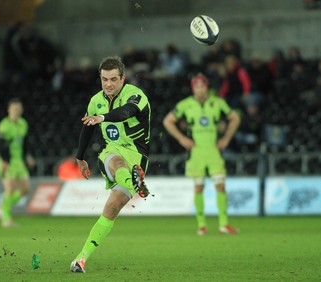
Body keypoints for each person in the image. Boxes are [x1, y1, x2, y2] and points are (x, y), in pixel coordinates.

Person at [70, 56, 151, 273]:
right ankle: (81, 259)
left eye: (114, 79)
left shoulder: (135, 95)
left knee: (112, 208)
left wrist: (103, 118)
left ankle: (134, 179)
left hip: (137, 156)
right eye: (104, 79)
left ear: (123, 78)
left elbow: (126, 112)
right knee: (115, 160)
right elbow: (87, 128)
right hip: (112, 151)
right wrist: (80, 157)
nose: (108, 84)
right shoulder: (96, 100)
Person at [163, 73, 240, 235]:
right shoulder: (185, 105)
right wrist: (181, 139)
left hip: (213, 150)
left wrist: (226, 138)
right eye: (197, 86)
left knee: (221, 186)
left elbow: (235, 118)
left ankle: (223, 224)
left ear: (207, 87)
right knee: (198, 187)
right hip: (196, 152)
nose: (200, 89)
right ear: (193, 88)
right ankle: (201, 225)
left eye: (202, 86)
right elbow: (167, 121)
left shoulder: (217, 102)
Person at [0, 98, 35, 227]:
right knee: (10, 189)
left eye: (19, 109)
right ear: (9, 110)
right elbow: (0, 146)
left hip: (18, 161)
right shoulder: (4, 125)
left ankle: (2, 208)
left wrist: (28, 156)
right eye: (14, 109)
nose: (17, 111)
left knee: (25, 189)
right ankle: (6, 218)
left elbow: (25, 143)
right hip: (6, 160)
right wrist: (5, 161)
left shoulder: (23, 123)